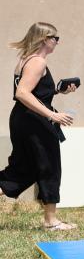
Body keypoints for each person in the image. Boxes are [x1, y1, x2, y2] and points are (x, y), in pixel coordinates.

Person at [0, 22, 78, 229]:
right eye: (55, 38)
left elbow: (35, 93)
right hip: (34, 122)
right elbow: (22, 93)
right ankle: (51, 222)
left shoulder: (26, 60)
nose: (57, 42)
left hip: (23, 119)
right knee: (49, 167)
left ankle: (51, 220)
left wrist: (59, 90)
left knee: (22, 169)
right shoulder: (38, 62)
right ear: (45, 39)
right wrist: (53, 115)